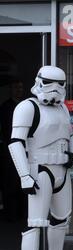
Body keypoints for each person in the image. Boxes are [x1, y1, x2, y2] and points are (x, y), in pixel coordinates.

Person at [8, 66, 73, 250]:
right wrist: (24, 175)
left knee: (61, 219)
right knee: (35, 223)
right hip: (39, 169)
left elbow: (70, 135)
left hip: (61, 169)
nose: (56, 89)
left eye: (61, 84)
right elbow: (16, 142)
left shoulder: (62, 109)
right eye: (50, 83)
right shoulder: (27, 107)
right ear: (39, 82)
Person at [0, 79, 27, 222]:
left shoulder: (26, 106)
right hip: (8, 150)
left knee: (24, 181)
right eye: (16, 87)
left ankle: (23, 213)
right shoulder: (5, 107)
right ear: (11, 89)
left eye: (20, 87)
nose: (18, 90)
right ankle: (10, 215)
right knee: (10, 183)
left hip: (26, 149)